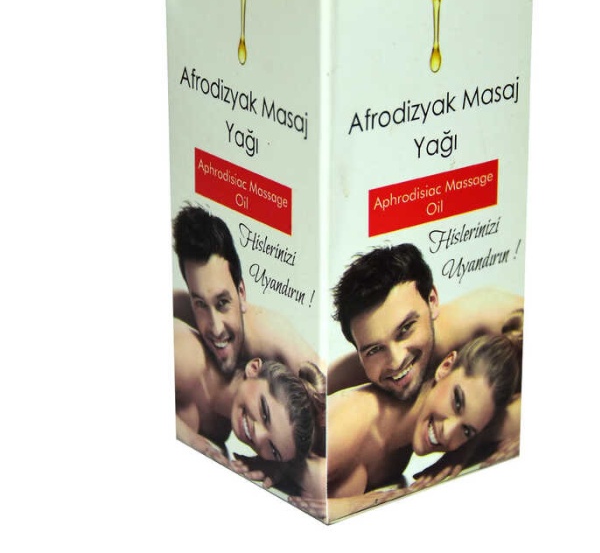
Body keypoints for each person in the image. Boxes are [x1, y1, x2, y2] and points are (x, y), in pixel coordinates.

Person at [294, 334, 520, 522]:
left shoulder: (398, 454)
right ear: (446, 367)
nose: (448, 432)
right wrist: (358, 505)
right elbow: (284, 490)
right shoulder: (354, 420)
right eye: (457, 402)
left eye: (467, 431)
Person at [329, 243, 523, 398]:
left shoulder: (496, 318)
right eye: (374, 349)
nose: (396, 361)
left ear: (432, 301)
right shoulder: (355, 368)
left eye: (405, 329)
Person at [175, 317, 326, 496]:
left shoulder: (219, 433)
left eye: (273, 449)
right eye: (265, 413)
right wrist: (188, 438)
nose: (258, 436)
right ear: (254, 368)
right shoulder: (190, 357)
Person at [172, 203, 321, 377]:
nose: (216, 329)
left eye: (222, 303)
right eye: (200, 304)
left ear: (241, 293)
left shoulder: (276, 340)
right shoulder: (181, 308)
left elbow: (323, 385)